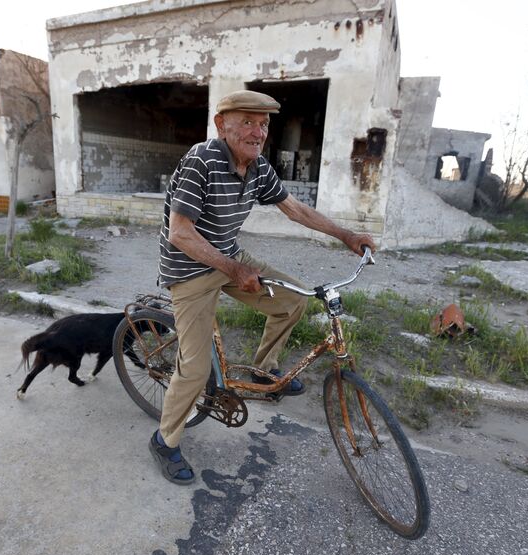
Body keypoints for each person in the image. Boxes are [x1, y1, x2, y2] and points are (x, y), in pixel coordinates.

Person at [149, 90, 376, 485]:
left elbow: (295, 209)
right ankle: (164, 440)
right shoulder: (201, 161)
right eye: (248, 122)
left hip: (229, 258)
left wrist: (346, 235)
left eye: (264, 124)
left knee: (293, 300)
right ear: (222, 124)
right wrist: (233, 269)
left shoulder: (257, 167)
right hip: (188, 271)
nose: (258, 132)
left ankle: (263, 372)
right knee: (195, 368)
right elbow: (180, 233)